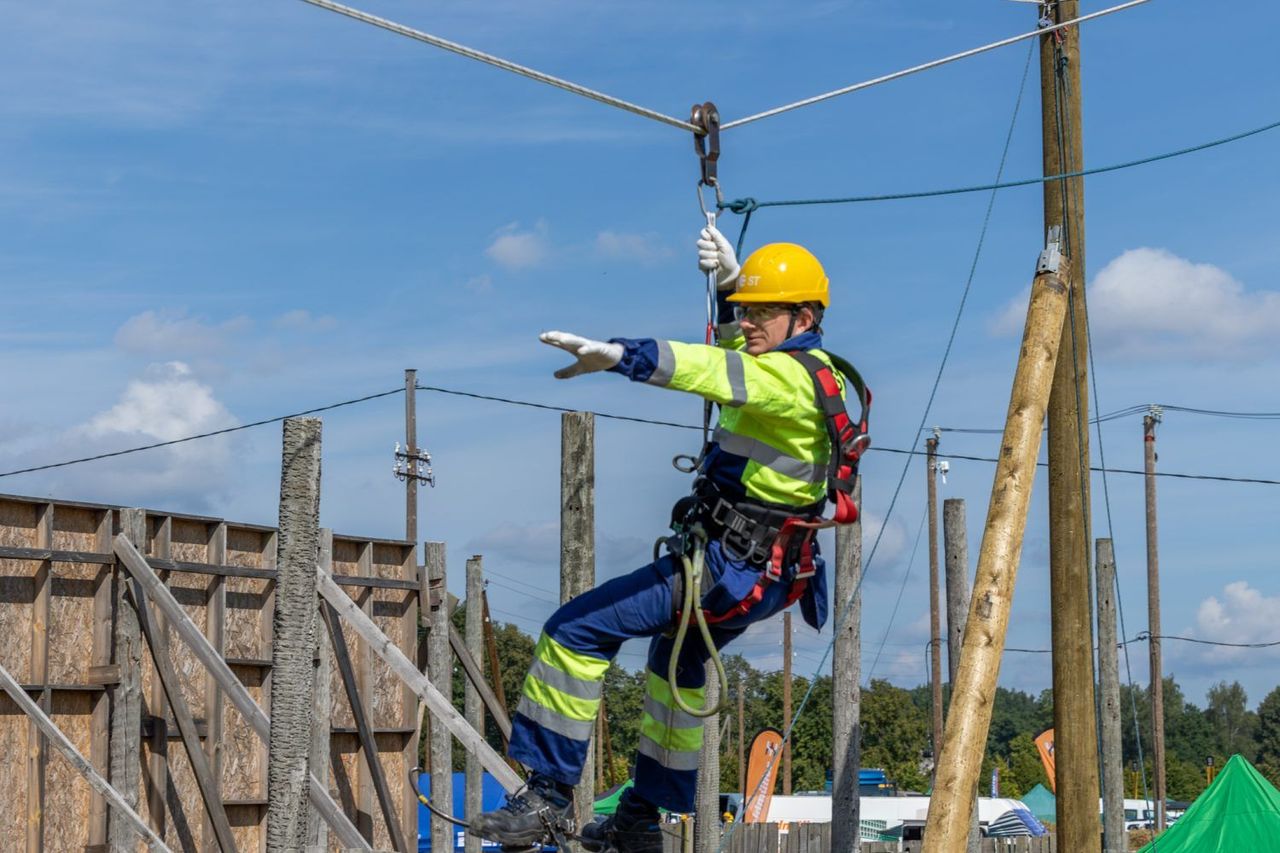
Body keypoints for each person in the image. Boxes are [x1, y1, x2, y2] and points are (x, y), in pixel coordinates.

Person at [468, 225, 867, 853]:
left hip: (730, 568)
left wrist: (619, 355)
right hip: (775, 574)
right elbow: (741, 363)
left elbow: (713, 368)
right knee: (676, 663)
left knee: (574, 631)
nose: (747, 322)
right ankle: (640, 817)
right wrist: (731, 285)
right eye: (745, 311)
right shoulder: (824, 375)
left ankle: (547, 795)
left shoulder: (784, 379)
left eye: (762, 312)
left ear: (805, 317)